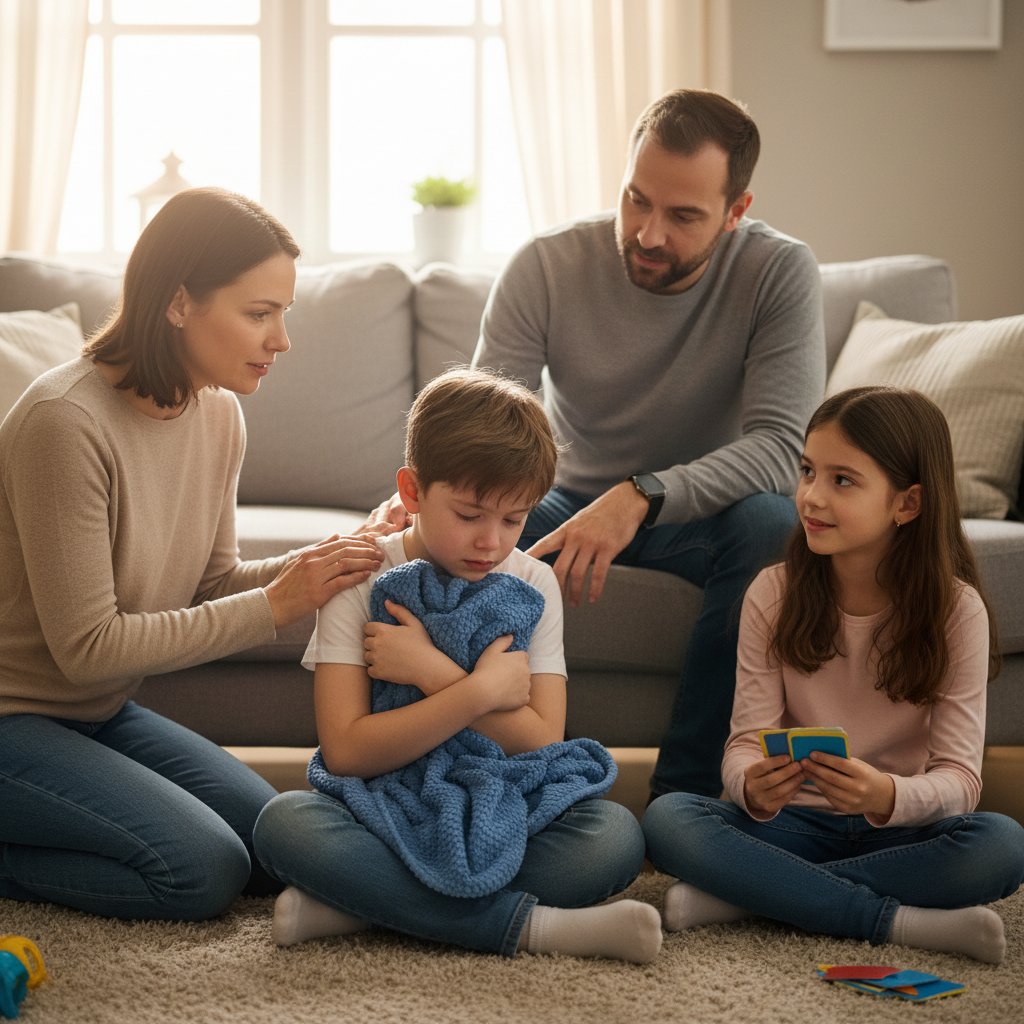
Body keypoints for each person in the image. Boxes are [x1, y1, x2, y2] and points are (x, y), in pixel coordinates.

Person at [0, 187, 398, 922]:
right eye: (259, 313)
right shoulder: (64, 423)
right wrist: (281, 602)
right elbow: (89, 649)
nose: (282, 340)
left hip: (96, 713)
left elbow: (210, 582)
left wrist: (340, 558)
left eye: (284, 313)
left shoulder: (217, 413)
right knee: (202, 871)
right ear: (179, 303)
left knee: (275, 838)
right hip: (13, 716)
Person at [472, 88, 826, 800]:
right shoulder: (545, 265)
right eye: (637, 200)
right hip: (562, 501)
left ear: (736, 213)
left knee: (775, 527)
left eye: (683, 215)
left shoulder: (779, 272)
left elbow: (782, 446)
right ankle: (496, 787)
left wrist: (640, 496)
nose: (648, 232)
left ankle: (685, 804)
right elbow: (485, 428)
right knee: (466, 535)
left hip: (699, 515)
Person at [253, 367, 661, 963]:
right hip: (386, 800)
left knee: (615, 838)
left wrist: (432, 672)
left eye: (515, 520)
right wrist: (480, 695)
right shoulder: (360, 578)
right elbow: (345, 753)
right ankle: (538, 930)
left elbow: (540, 742)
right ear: (413, 492)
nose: (491, 543)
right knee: (284, 822)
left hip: (506, 793)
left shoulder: (532, 583)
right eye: (470, 515)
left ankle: (359, 905)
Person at [642, 386, 1024, 964]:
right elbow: (745, 741)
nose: (811, 497)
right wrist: (750, 783)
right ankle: (891, 920)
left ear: (908, 504)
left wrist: (886, 793)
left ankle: (753, 897)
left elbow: (959, 781)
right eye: (807, 471)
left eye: (842, 480)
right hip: (790, 825)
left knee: (1001, 845)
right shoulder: (774, 591)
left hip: (898, 831)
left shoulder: (956, 610)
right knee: (671, 819)